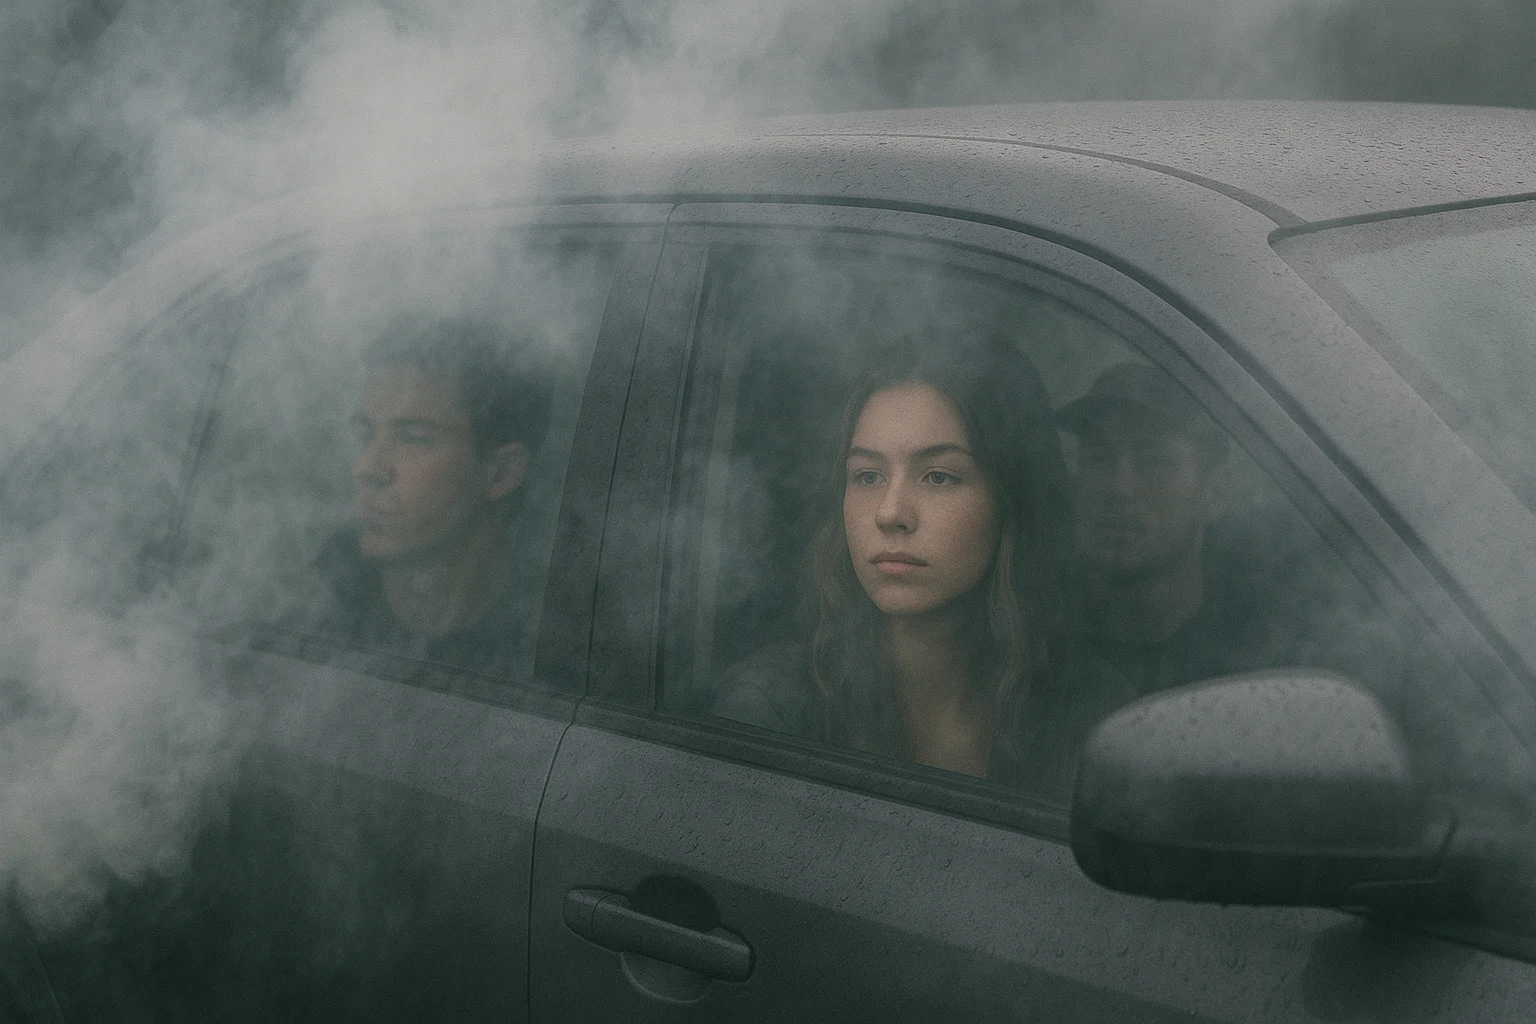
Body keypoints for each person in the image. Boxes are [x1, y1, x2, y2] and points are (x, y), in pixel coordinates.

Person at [714, 335, 1130, 793]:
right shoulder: (773, 710)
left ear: (1014, 500)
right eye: (868, 476)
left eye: (938, 476)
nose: (890, 513)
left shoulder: (1090, 716)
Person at [311, 316, 553, 670]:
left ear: (501, 473)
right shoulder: (313, 603)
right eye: (365, 437)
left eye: (412, 439)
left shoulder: (554, 641)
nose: (365, 468)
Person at [1056, 361, 1282, 696]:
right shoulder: (1031, 643)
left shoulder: (1264, 660)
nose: (1118, 487)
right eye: (1098, 459)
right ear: (1075, 485)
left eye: (1153, 461)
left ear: (1215, 494)